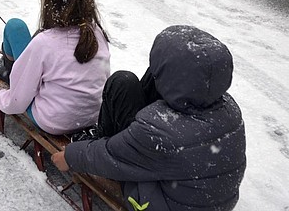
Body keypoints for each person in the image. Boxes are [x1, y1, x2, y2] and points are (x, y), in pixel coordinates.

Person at [52, 25, 246, 211]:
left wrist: (71, 156)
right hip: (209, 200)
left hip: (162, 202)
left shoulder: (161, 133)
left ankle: (99, 135)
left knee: (123, 83)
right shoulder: (230, 110)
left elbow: (112, 156)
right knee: (147, 77)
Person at [0, 0, 111, 136]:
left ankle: (10, 69)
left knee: (15, 27)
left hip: (55, 121)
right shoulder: (97, 33)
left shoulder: (44, 42)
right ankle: (14, 69)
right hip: (93, 116)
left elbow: (18, 102)